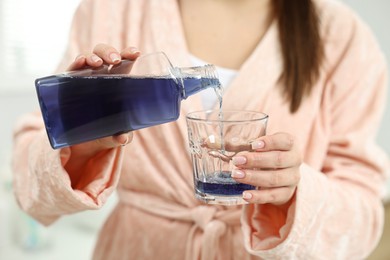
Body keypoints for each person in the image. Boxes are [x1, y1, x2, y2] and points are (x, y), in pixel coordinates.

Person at [11, 0, 389, 259]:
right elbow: (29, 184)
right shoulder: (115, 8)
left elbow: (365, 210)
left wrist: (294, 193)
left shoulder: (341, 37)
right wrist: (85, 135)